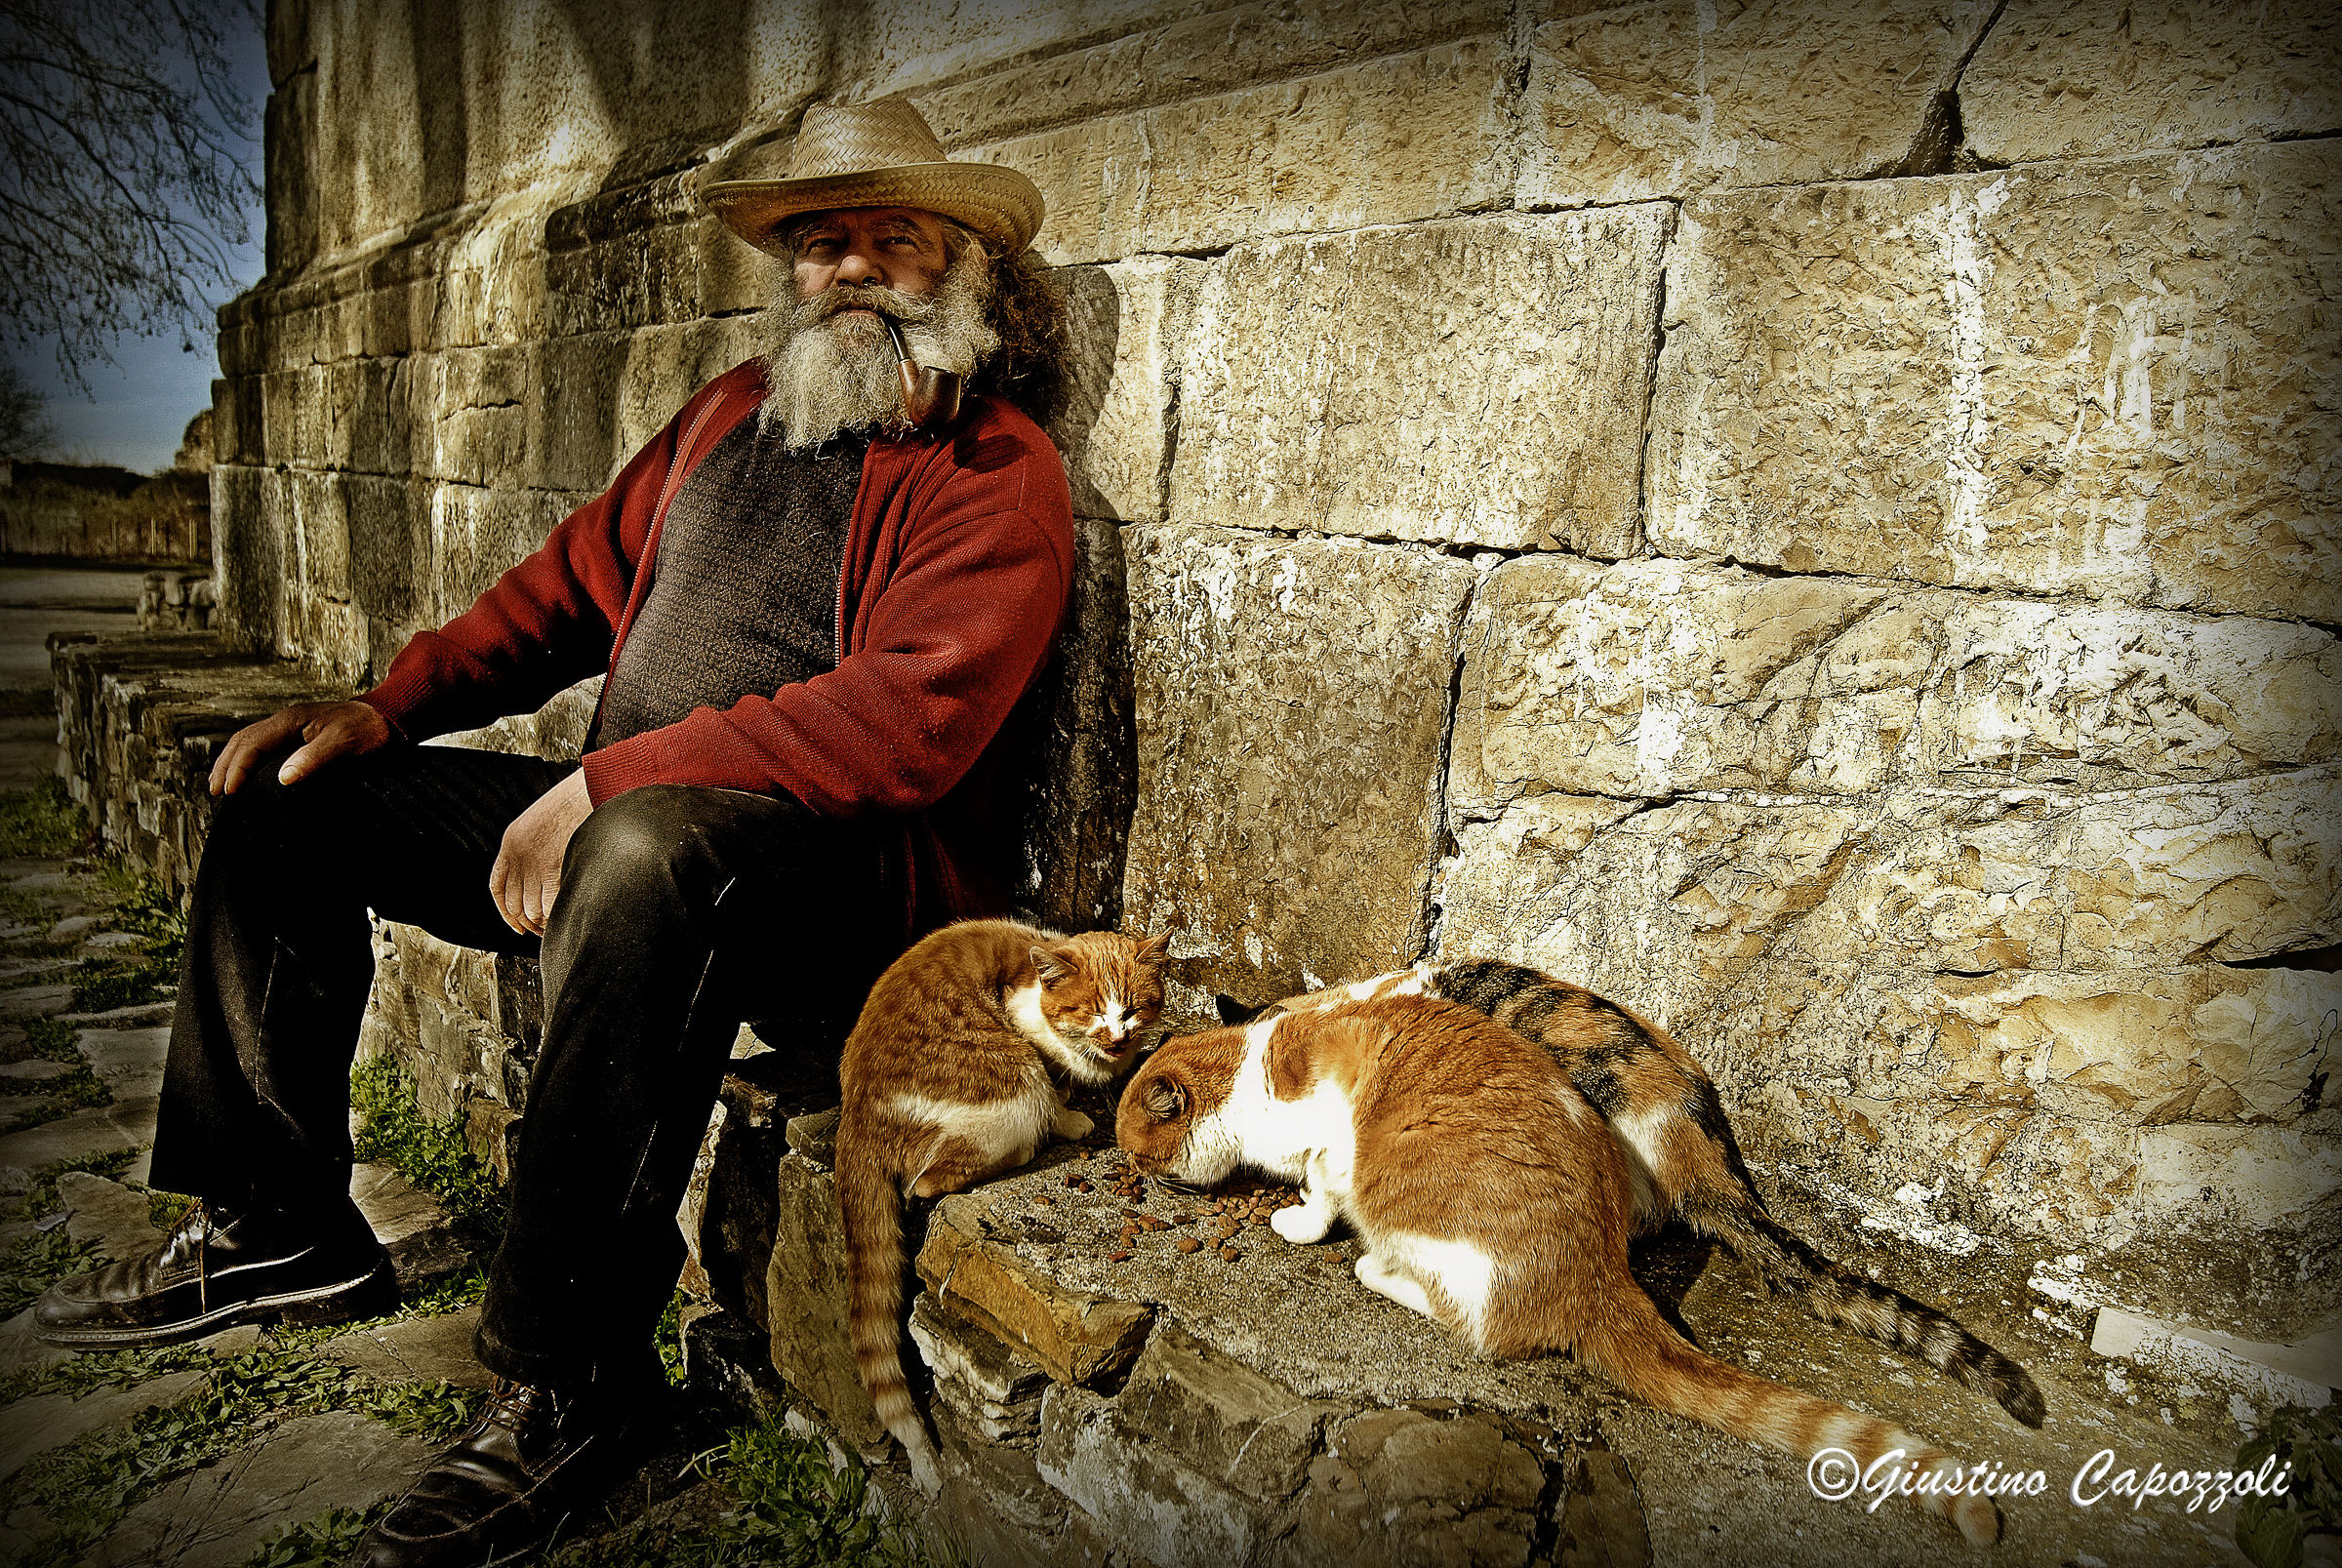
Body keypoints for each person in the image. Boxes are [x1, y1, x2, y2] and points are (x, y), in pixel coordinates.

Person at [32, 98, 1075, 1568]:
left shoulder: (995, 472)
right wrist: (390, 707)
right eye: (820, 242)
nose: (849, 272)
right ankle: (277, 1223)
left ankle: (571, 1382)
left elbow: (906, 721)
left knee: (647, 853)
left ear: (964, 266)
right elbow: (562, 592)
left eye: (888, 240)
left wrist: (602, 788)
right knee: (299, 800)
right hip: (633, 841)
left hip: (826, 895)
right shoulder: (731, 414)